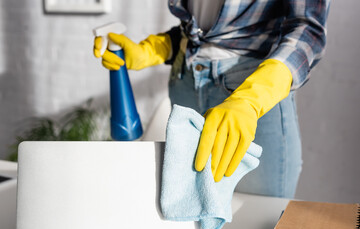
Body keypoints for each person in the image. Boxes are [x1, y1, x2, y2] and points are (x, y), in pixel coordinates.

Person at [93, 0, 330, 198]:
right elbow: (203, 28)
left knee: (258, 218)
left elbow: (308, 30)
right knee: (188, 213)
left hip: (249, 97)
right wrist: (154, 49)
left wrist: (249, 99)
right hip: (185, 82)